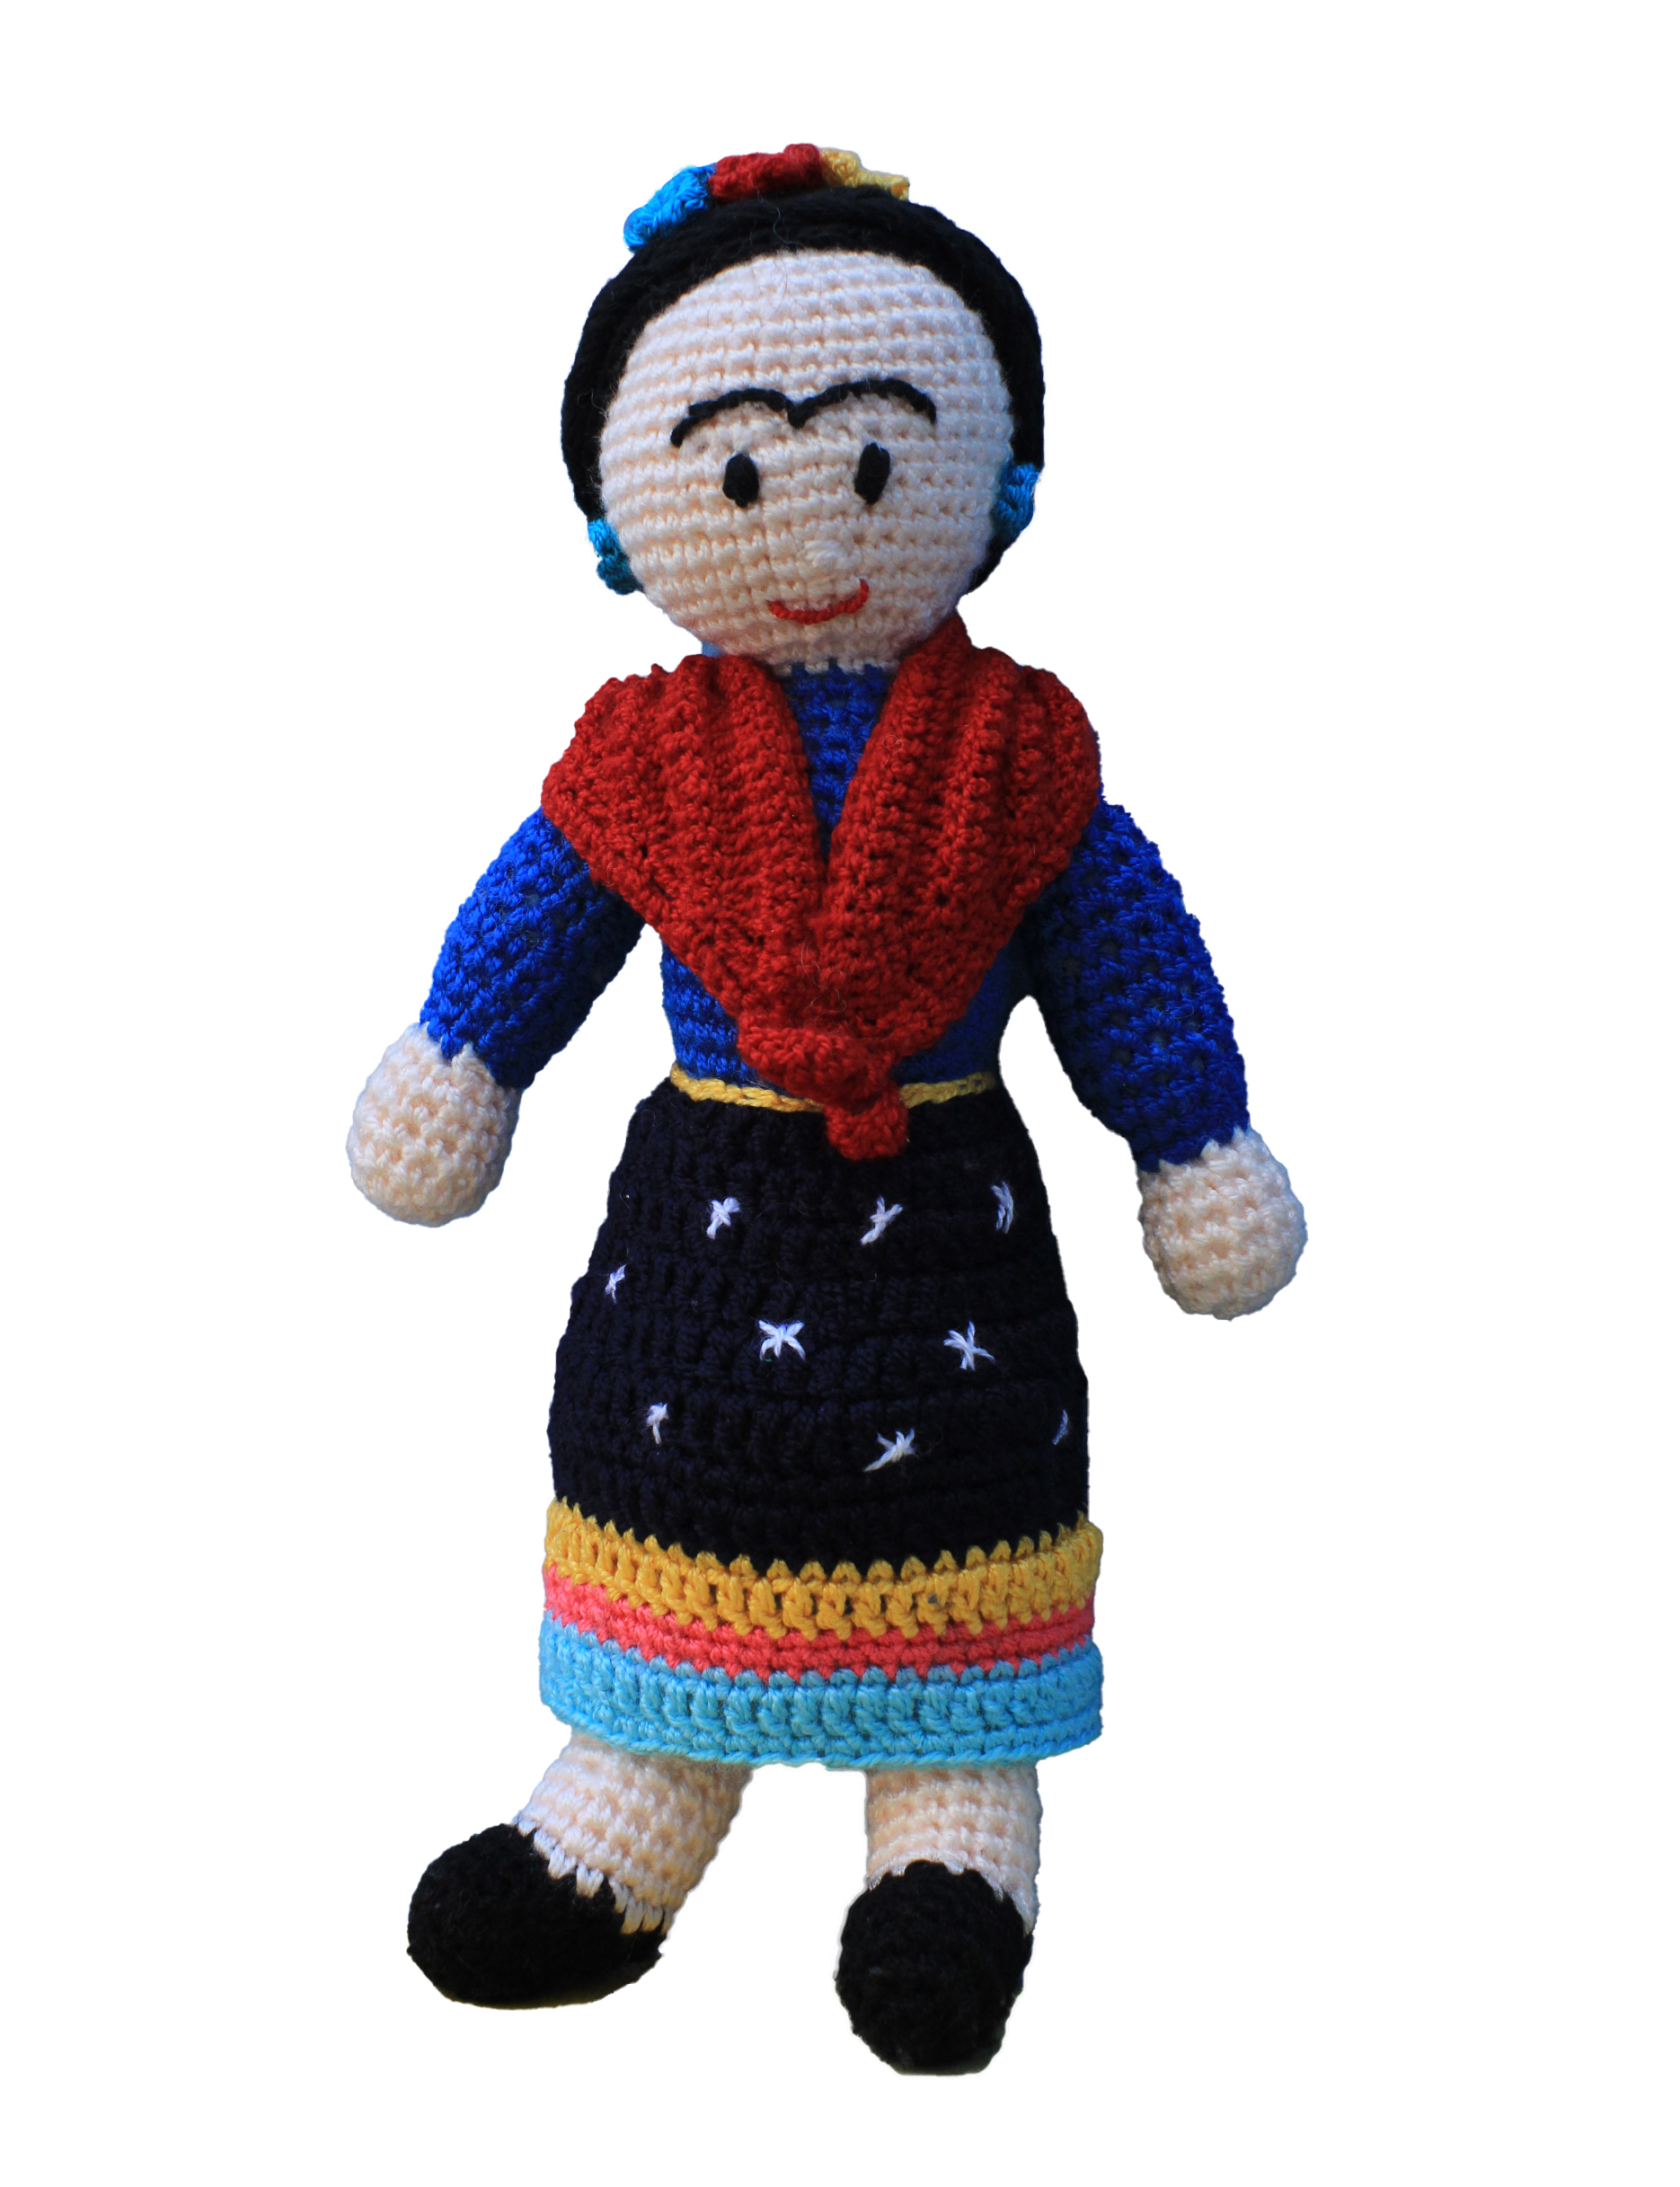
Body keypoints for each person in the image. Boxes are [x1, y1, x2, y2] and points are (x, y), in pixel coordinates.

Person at [348, 144, 1306, 2071]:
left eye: (875, 459)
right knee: (675, 1504)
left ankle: (948, 1846)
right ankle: (628, 1797)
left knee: (956, 1559)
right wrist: (461, 1059)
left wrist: (1189, 1139)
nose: (812, 525)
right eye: (735, 472)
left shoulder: (1023, 765)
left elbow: (1125, 963)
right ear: (627, 513)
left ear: (989, 479)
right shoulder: (633, 766)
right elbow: (533, 929)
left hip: (944, 1224)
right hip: (706, 1218)